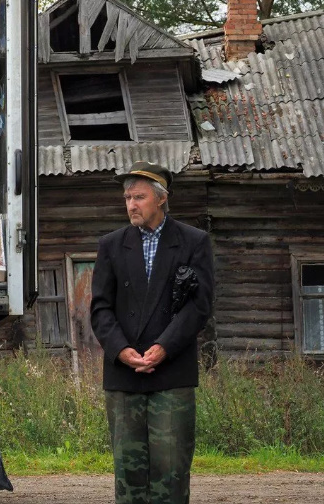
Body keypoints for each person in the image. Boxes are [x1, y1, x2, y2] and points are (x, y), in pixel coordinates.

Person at [90, 161, 214, 504]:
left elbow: (199, 306)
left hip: (171, 372)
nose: (131, 205)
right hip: (124, 374)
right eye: (127, 197)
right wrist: (120, 350)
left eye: (139, 197)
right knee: (129, 473)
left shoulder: (193, 241)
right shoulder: (111, 245)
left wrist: (163, 347)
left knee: (170, 470)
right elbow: (100, 308)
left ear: (161, 198)